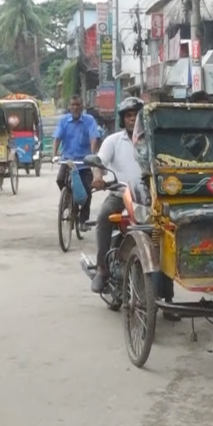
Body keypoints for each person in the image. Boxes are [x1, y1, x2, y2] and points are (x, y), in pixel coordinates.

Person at [90, 97, 145, 293]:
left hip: (148, 198)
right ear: (123, 120)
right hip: (120, 195)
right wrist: (98, 178)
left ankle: (167, 291)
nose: (133, 119)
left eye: (136, 115)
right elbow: (99, 162)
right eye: (129, 116)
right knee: (104, 216)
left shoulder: (152, 140)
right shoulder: (113, 140)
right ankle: (102, 269)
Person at [52, 95, 100, 232]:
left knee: (87, 190)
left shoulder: (89, 121)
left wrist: (92, 154)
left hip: (84, 162)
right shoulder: (64, 122)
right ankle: (68, 201)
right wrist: (54, 155)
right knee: (60, 180)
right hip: (68, 161)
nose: (75, 107)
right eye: (72, 105)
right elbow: (57, 139)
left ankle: (83, 221)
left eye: (78, 104)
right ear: (69, 107)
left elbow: (93, 138)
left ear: (82, 106)